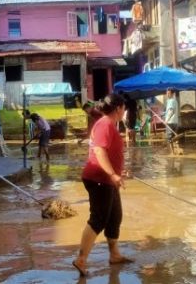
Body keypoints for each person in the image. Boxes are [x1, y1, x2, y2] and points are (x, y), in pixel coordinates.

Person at [73, 94, 133, 277]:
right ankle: (81, 259)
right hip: (99, 179)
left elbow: (108, 153)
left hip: (107, 179)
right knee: (98, 219)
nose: (125, 111)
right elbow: (99, 151)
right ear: (118, 108)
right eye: (124, 107)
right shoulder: (105, 124)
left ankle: (114, 254)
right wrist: (113, 173)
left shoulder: (108, 123)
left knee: (115, 217)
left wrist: (118, 172)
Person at [164, 88, 180, 153]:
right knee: (175, 138)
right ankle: (178, 150)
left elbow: (171, 111)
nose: (167, 95)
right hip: (175, 122)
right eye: (167, 93)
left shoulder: (171, 101)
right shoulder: (174, 101)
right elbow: (169, 111)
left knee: (169, 138)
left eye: (169, 93)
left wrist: (166, 120)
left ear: (172, 94)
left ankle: (172, 153)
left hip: (170, 122)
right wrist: (164, 115)